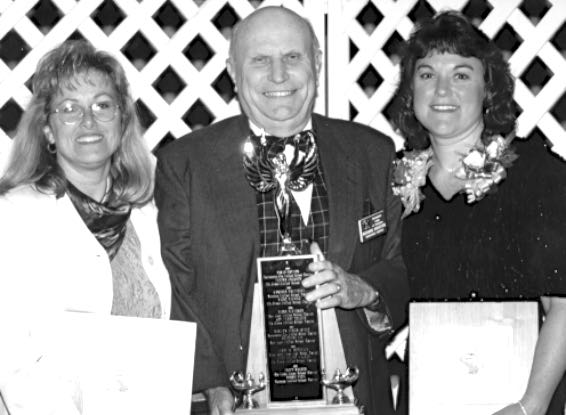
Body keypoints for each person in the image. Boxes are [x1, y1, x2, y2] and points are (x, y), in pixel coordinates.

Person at [155, 6, 408, 415]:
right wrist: (210, 383)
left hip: (351, 399)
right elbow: (176, 285)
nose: (278, 75)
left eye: (293, 57)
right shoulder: (185, 165)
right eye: (260, 60)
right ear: (233, 72)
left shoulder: (373, 153)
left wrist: (364, 290)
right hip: (235, 402)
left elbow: (402, 266)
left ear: (318, 63)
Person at [391, 10, 566, 415]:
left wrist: (530, 406)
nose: (441, 90)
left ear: (489, 88)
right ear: (410, 89)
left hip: (519, 402)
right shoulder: (394, 183)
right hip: (428, 399)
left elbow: (563, 305)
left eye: (461, 74)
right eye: (427, 74)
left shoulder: (536, 174)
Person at [0, 40, 172, 414]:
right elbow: (13, 364)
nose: (89, 121)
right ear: (47, 129)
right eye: (69, 109)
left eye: (102, 105)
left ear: (123, 119)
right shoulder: (14, 218)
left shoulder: (150, 213)